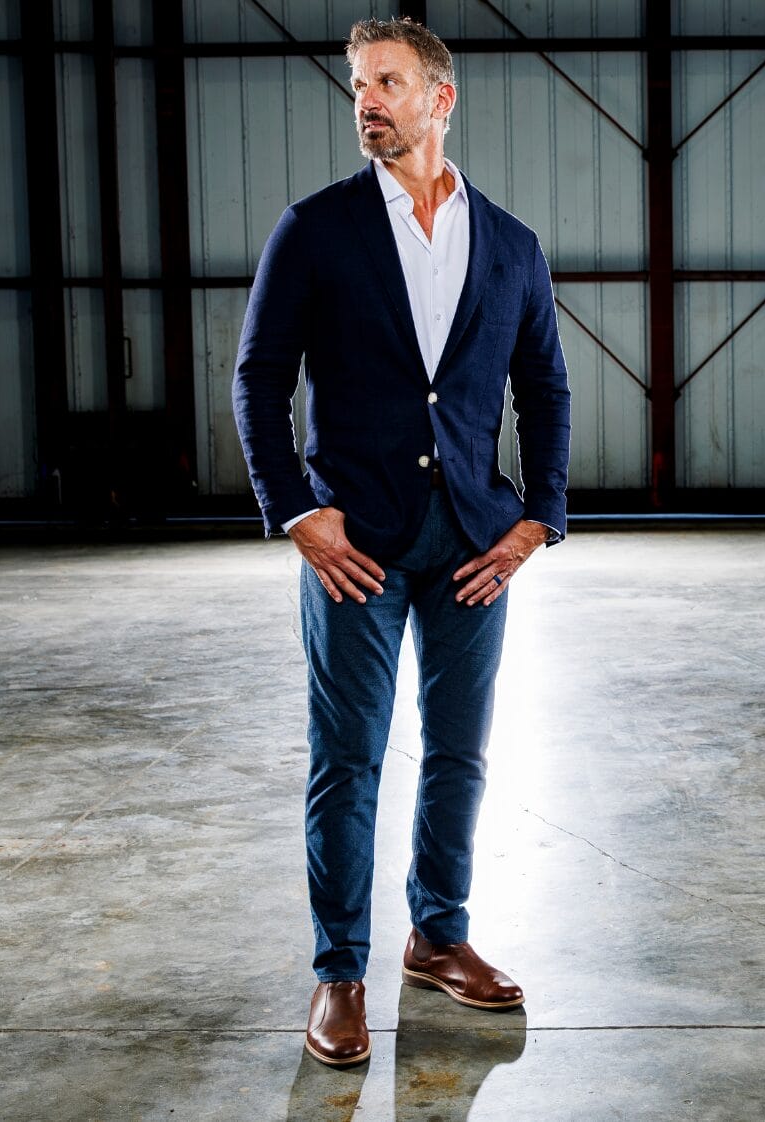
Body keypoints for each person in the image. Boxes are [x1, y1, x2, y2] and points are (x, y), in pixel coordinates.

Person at [231, 15, 570, 1069]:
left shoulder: (510, 243)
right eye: (357, 85)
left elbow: (544, 388)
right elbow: (257, 379)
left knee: (460, 752)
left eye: (385, 82)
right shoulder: (317, 229)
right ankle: (341, 971)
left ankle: (439, 935)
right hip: (355, 544)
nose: (366, 100)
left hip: (473, 539)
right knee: (349, 757)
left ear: (440, 98)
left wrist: (536, 517)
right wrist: (297, 510)